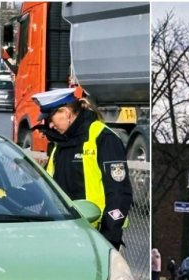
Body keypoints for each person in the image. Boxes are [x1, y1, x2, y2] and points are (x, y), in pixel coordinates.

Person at [33, 87, 131, 250]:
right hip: (62, 232)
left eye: (51, 117)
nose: (50, 124)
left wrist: (110, 234)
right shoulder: (61, 143)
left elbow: (119, 191)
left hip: (95, 234)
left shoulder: (103, 138)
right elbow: (51, 187)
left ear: (66, 112)